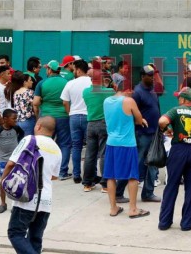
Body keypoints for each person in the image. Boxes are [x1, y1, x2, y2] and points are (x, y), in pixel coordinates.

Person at [5, 117, 61, 254]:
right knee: (35, 239)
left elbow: (11, 164)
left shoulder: (29, 140)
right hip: (46, 200)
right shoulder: (57, 149)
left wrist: (3, 181)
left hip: (27, 197)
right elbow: (54, 176)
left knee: (16, 233)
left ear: (38, 126)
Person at [158, 87, 191, 231]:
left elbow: (161, 121)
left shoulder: (176, 110)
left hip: (178, 150)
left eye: (179, 97)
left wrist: (167, 129)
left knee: (171, 186)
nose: (178, 99)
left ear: (184, 99)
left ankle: (164, 222)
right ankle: (187, 223)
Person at [103, 86, 150, 218]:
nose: (133, 92)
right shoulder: (129, 101)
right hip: (127, 143)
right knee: (133, 176)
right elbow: (139, 119)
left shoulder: (106, 101)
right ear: (127, 88)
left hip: (111, 142)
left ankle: (113, 208)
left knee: (110, 176)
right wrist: (141, 120)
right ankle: (133, 209)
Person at [33, 60, 71, 180]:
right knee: (64, 144)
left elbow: (36, 102)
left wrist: (38, 116)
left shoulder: (42, 83)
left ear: (49, 70)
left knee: (44, 143)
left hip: (47, 117)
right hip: (63, 116)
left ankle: (44, 170)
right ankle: (62, 172)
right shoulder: (67, 82)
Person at [81, 62, 115, 193]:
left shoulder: (85, 92)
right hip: (103, 124)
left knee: (90, 154)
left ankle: (87, 183)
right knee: (104, 154)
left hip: (90, 123)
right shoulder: (109, 91)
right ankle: (105, 184)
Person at [132, 64, 162, 203]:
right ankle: (120, 190)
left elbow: (157, 107)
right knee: (137, 162)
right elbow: (132, 112)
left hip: (154, 133)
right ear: (142, 76)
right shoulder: (137, 92)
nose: (152, 78)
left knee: (153, 162)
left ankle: (148, 193)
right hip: (142, 134)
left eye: (153, 75)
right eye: (150, 76)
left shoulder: (153, 90)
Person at [60, 59, 92, 184]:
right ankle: (90, 174)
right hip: (89, 116)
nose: (73, 72)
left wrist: (70, 112)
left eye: (73, 70)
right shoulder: (91, 82)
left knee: (76, 147)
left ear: (78, 70)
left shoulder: (70, 84)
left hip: (73, 116)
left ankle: (76, 175)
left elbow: (64, 101)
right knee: (91, 147)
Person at [0, 109, 24, 214]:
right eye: (13, 119)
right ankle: (3, 204)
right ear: (5, 119)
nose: (15, 121)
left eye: (16, 119)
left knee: (16, 182)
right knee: (3, 182)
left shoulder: (16, 128)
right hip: (3, 161)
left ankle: (15, 205)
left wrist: (19, 144)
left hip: (16, 160)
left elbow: (22, 134)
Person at [12, 72, 36, 136]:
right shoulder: (30, 92)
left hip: (17, 121)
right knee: (28, 142)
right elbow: (35, 106)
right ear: (25, 82)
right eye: (30, 80)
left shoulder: (16, 92)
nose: (32, 82)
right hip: (28, 120)